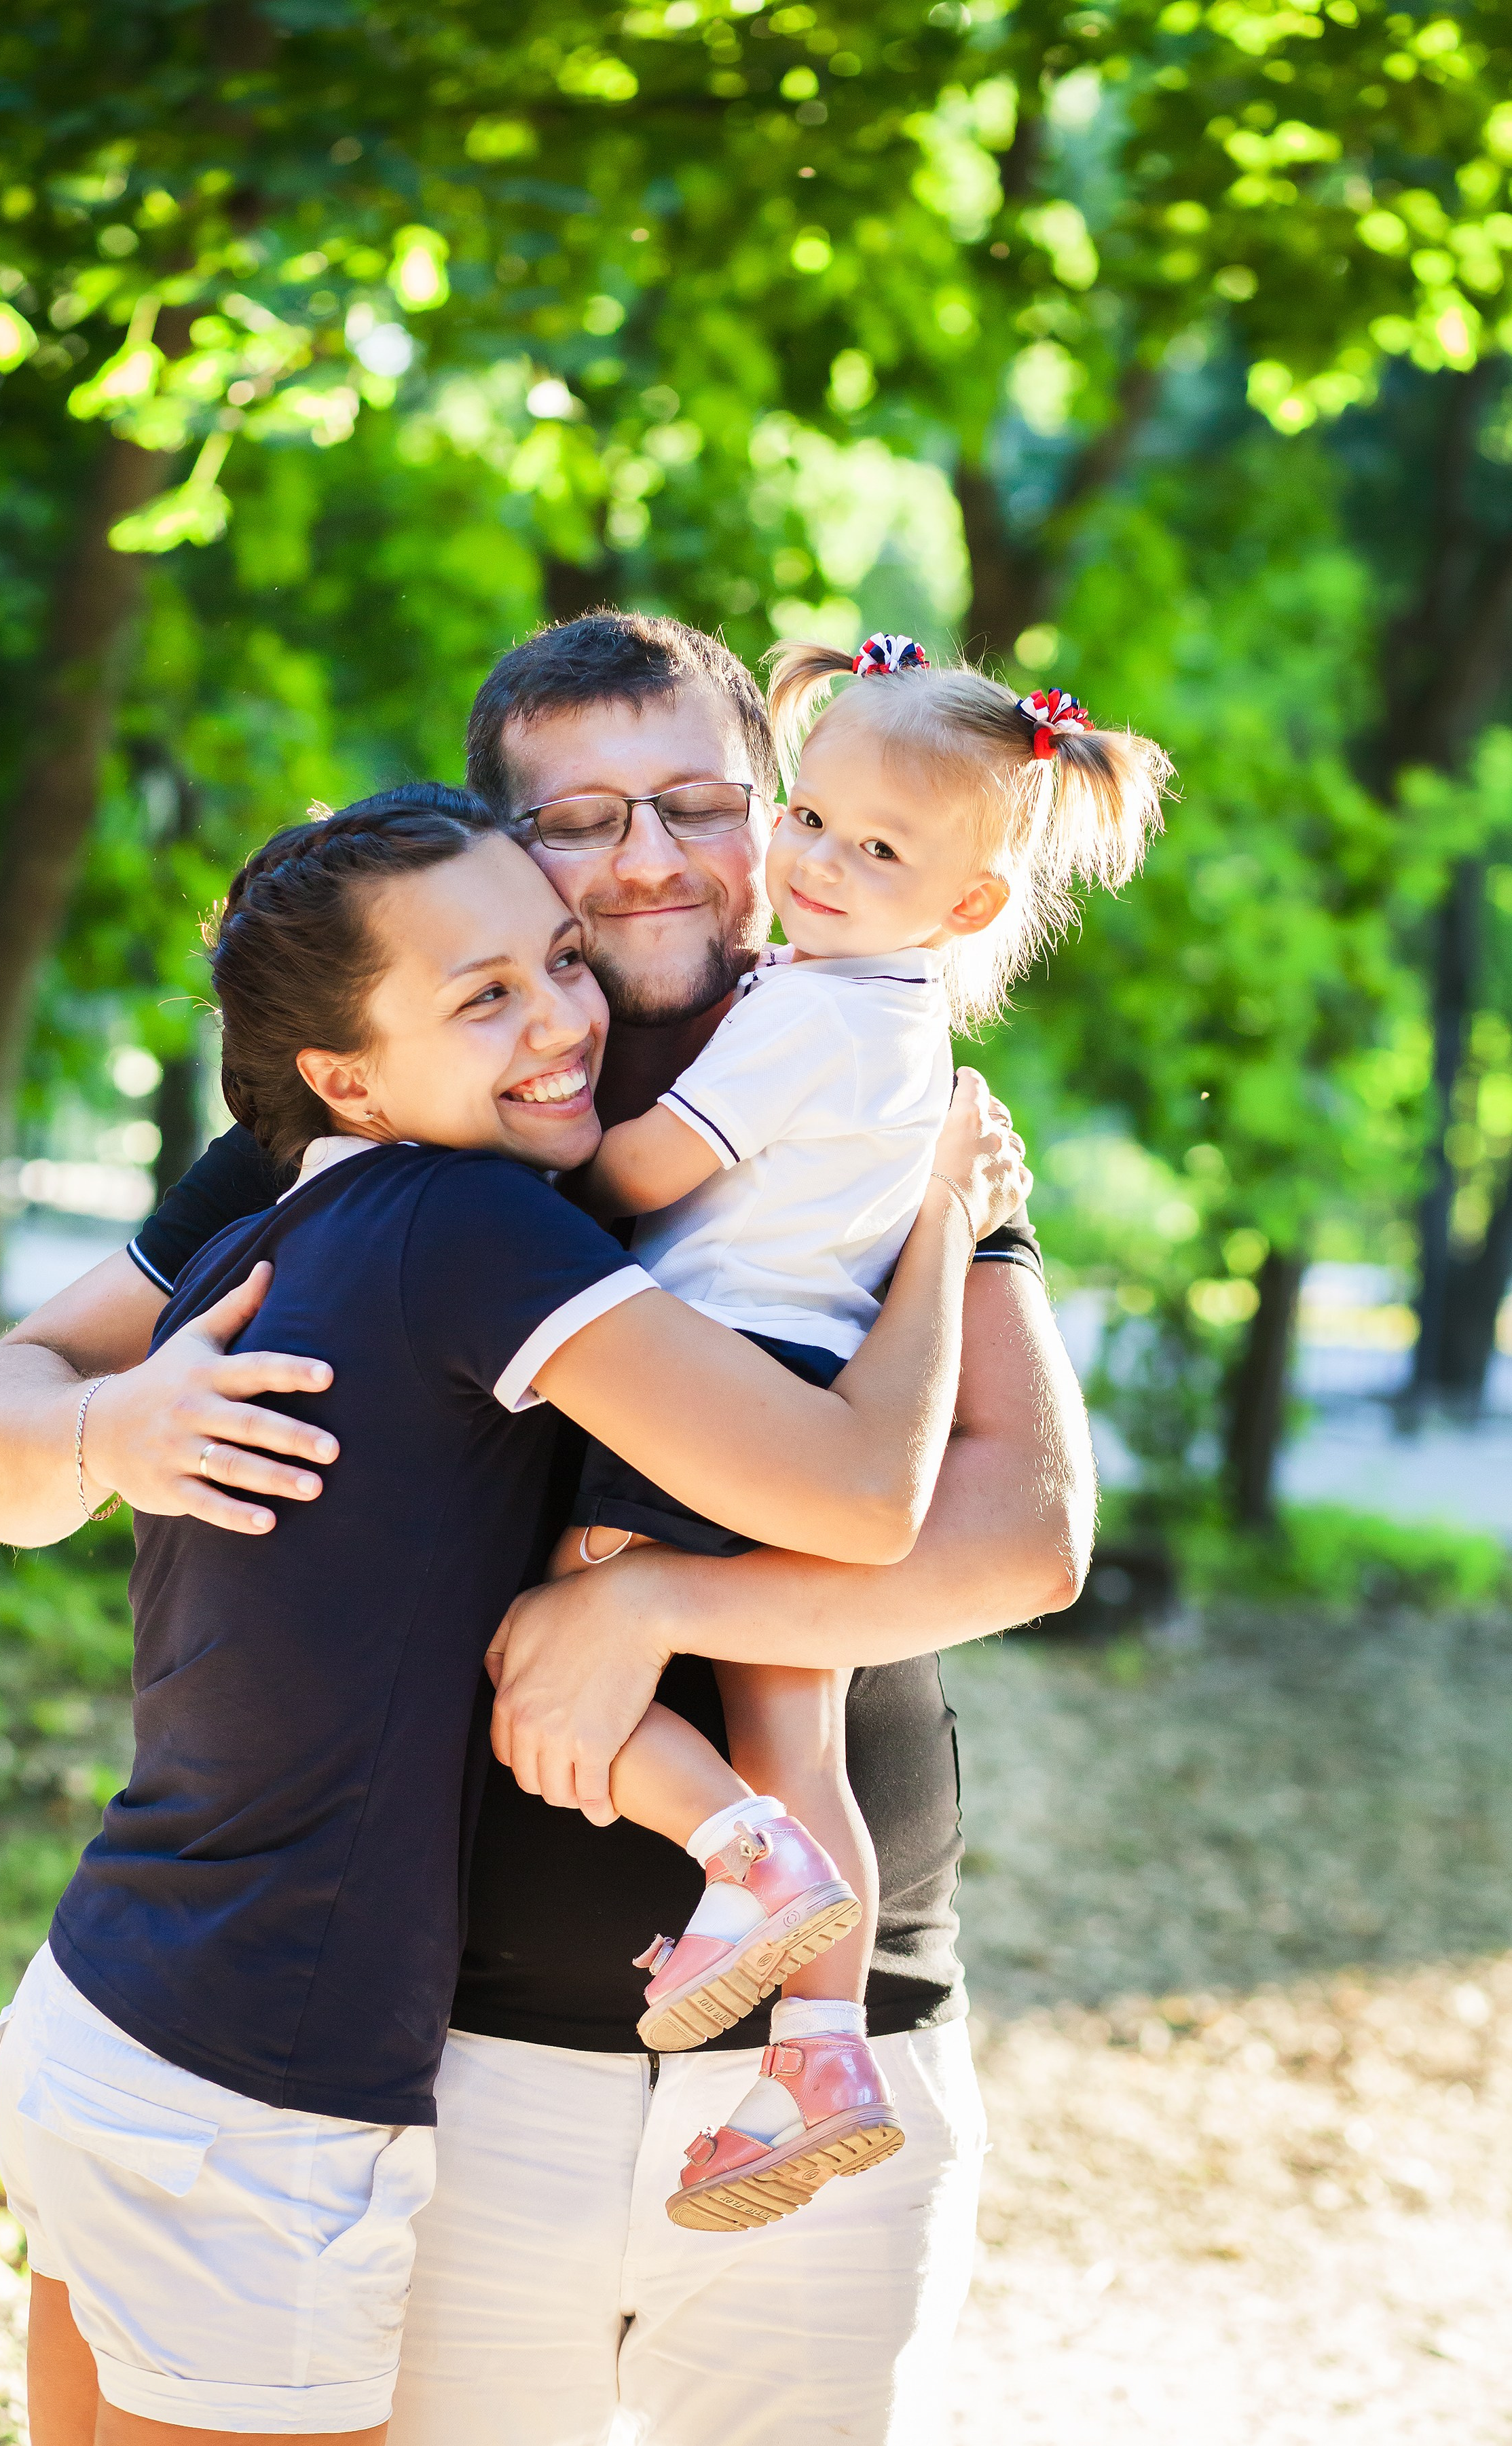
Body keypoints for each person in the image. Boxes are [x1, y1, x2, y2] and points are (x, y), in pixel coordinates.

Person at [0, 613, 1096, 2446]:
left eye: (697, 803)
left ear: (768, 807)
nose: (647, 858)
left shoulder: (877, 1080)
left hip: (840, 2034)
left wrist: (661, 1606)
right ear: (503, 845)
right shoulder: (396, 1099)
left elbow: (1022, 1535)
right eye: (578, 821)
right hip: (468, 2056)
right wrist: (111, 1428)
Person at [551, 634, 1167, 2237]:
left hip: (713, 1380)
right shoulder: (897, 1025)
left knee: (552, 1643)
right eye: (808, 817)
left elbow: (645, 1173)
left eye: (874, 850)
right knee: (797, 1731)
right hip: (825, 1392)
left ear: (967, 903)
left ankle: (740, 1857)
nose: (815, 862)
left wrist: (518, 1167)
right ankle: (817, 2058)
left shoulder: (809, 1019)